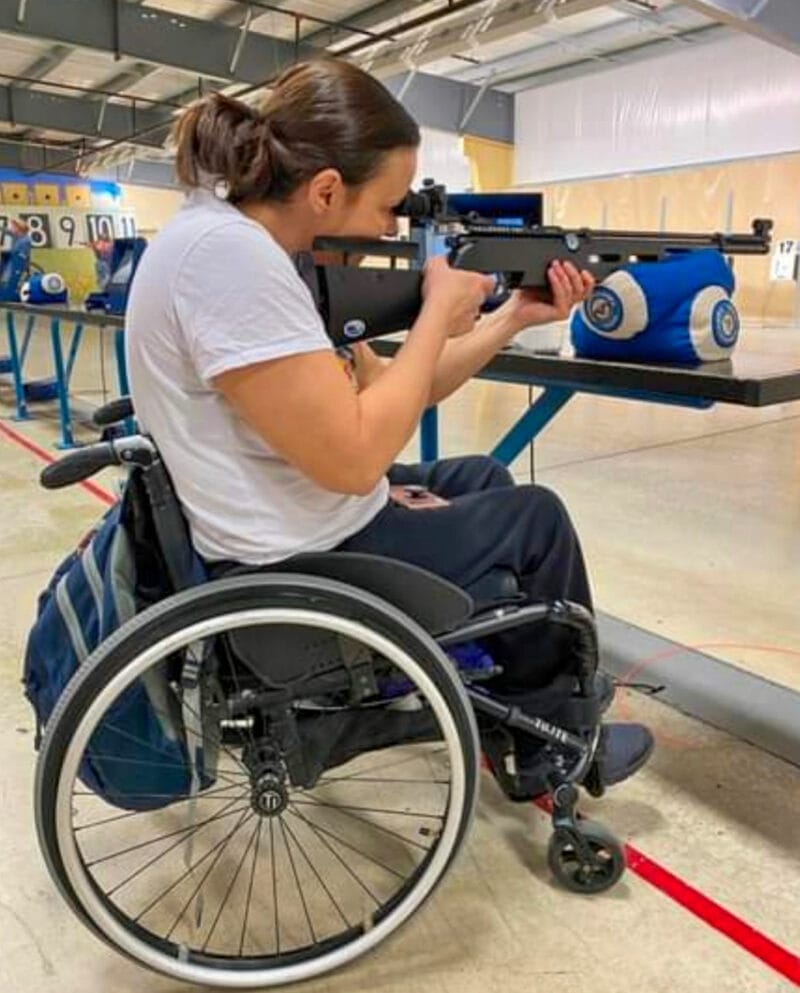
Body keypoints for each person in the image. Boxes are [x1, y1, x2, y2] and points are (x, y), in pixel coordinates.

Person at [126, 58, 653, 798]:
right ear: (326, 190)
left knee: (478, 479)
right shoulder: (232, 265)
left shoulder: (250, 249)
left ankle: (517, 700)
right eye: (389, 206)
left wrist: (510, 318)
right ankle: (555, 742)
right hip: (292, 558)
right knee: (536, 520)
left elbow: (397, 388)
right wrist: (437, 310)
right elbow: (355, 457)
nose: (391, 228)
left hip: (292, 517)